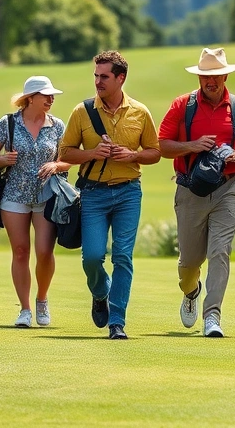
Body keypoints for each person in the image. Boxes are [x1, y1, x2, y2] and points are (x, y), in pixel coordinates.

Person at [158, 48, 235, 338]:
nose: (211, 81)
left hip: (228, 188)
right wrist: (192, 145)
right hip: (190, 189)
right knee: (189, 262)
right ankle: (191, 291)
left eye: (216, 75)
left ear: (225, 75)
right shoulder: (182, 105)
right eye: (205, 76)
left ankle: (212, 316)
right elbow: (162, 144)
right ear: (199, 77)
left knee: (220, 252)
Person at [59, 51, 161, 340]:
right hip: (93, 193)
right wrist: (92, 153)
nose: (98, 81)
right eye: (96, 75)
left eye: (104, 76)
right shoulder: (82, 111)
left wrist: (133, 155)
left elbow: (155, 152)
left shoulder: (140, 112)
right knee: (91, 257)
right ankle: (100, 292)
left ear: (121, 78)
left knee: (122, 257)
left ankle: (117, 321)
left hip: (129, 192)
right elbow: (64, 152)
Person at [0, 76, 71, 328]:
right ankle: (25, 309)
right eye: (46, 95)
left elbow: (68, 159)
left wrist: (56, 165)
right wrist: (4, 160)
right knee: (20, 252)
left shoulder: (57, 126)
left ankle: (42, 299)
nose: (51, 99)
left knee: (44, 252)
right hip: (14, 196)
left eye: (52, 95)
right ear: (30, 98)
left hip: (47, 197)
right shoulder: (7, 123)